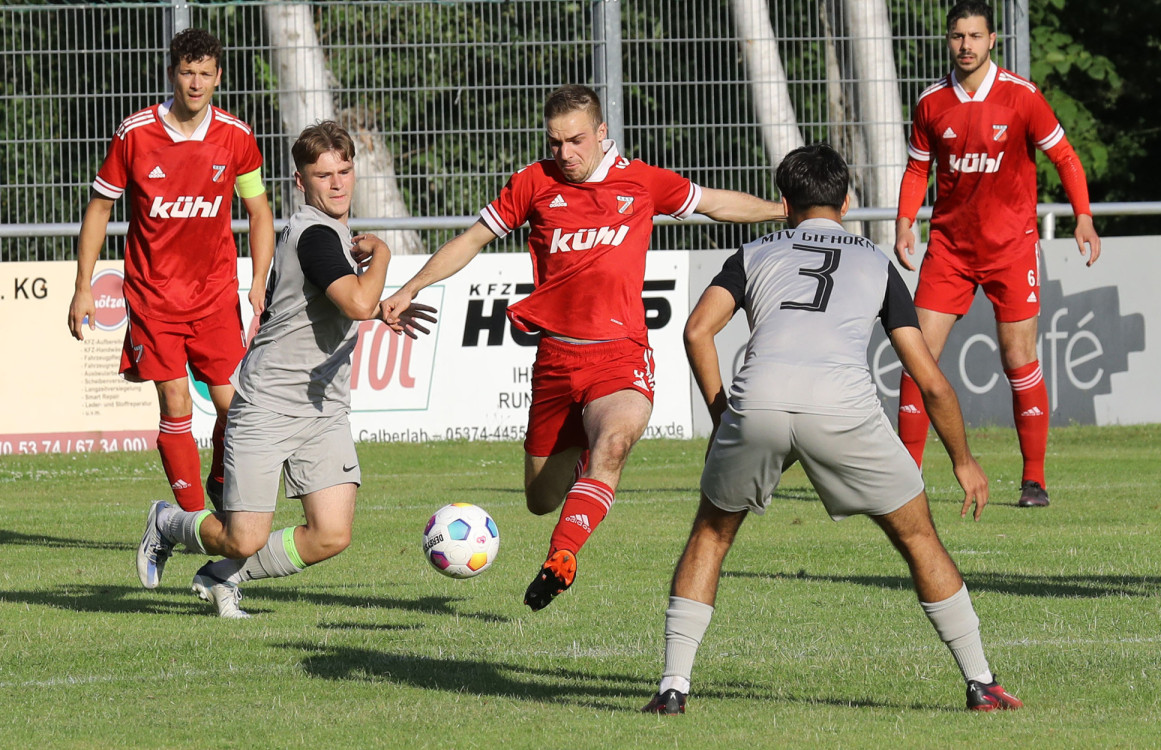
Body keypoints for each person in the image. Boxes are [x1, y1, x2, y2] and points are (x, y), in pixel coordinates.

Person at [643, 143, 1022, 715]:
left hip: (760, 398)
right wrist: (963, 462)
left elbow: (697, 331)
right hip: (841, 406)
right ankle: (981, 683)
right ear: (845, 200)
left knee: (712, 535)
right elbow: (932, 382)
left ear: (785, 203)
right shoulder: (874, 261)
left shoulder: (753, 252)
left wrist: (724, 415)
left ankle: (673, 689)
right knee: (918, 538)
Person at [380, 84, 783, 612]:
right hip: (554, 362)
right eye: (554, 143)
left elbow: (714, 203)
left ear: (601, 134)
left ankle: (560, 559)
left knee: (612, 446)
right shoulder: (533, 183)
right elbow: (472, 239)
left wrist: (782, 209)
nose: (564, 154)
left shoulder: (641, 182)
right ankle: (581, 485)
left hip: (619, 355)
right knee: (540, 499)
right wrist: (410, 287)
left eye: (575, 141)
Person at [134, 120, 434, 617]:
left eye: (344, 169)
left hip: (323, 409)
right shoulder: (317, 235)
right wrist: (381, 253)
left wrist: (380, 306)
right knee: (241, 536)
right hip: (269, 406)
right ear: (301, 182)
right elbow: (357, 303)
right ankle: (168, 523)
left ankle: (220, 577)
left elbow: (327, 303)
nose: (337, 183)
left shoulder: (329, 235)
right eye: (323, 175)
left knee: (331, 534)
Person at [893, 0, 1102, 508]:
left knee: (1018, 359)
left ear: (991, 41)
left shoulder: (1022, 97)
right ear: (949, 40)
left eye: (974, 36)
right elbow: (918, 170)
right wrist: (904, 223)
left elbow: (1065, 155)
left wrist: (1084, 216)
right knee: (917, 359)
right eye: (957, 36)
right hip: (949, 251)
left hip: (1011, 249)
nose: (965, 45)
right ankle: (904, 479)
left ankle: (1034, 480)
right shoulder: (930, 103)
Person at [67, 28, 276, 513]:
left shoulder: (237, 137)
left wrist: (258, 282)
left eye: (205, 74)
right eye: (187, 73)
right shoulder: (135, 133)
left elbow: (260, 212)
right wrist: (83, 289)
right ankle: (194, 517)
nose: (196, 83)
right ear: (172, 74)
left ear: (218, 78)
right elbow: (99, 209)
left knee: (236, 406)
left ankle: (222, 480)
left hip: (214, 295)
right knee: (176, 401)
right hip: (153, 296)